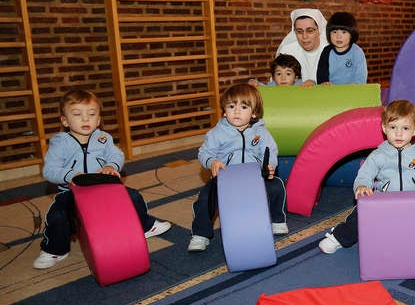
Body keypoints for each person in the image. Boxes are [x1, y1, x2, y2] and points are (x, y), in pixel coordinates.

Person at [317, 99, 415, 274]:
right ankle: (339, 237)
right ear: (384, 128)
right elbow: (364, 175)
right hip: (385, 205)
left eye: (405, 128)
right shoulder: (378, 155)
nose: (399, 134)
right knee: (360, 212)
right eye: (393, 128)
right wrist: (363, 186)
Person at [34, 89, 172, 269]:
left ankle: (145, 226)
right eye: (77, 114)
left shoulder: (103, 138)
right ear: (65, 121)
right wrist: (70, 175)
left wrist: (112, 167)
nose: (85, 119)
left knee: (133, 197)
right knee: (57, 215)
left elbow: (117, 156)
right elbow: (50, 170)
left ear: (98, 120)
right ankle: (55, 250)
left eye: (91, 114)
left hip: (104, 189)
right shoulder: (60, 143)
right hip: (71, 192)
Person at [188, 83, 288, 252]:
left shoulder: (261, 133)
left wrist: (270, 166)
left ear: (254, 112)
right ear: (224, 110)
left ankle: (277, 220)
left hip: (255, 177)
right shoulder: (217, 133)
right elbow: (204, 152)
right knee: (205, 197)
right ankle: (201, 234)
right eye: (231, 106)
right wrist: (212, 161)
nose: (236, 111)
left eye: (243, 107)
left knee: (277, 186)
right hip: (226, 178)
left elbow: (270, 151)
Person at [275, 8, 327, 86]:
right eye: (299, 31)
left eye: (310, 31)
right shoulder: (287, 51)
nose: (304, 36)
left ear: (319, 31)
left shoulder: (331, 51)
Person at [316, 11, 368, 85]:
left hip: (352, 89)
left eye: (344, 32)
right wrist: (324, 82)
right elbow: (321, 72)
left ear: (351, 34)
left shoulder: (357, 51)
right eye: (334, 32)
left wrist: (357, 84)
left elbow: (361, 74)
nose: (339, 36)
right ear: (329, 33)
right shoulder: (327, 51)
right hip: (332, 90)